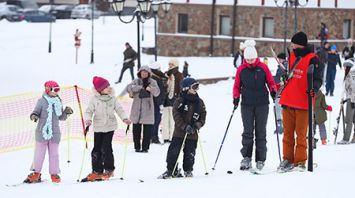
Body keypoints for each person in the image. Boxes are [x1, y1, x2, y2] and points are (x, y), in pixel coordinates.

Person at [278, 31, 324, 172]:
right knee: (287, 135)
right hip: (288, 100)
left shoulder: (313, 59)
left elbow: (318, 79)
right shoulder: (291, 56)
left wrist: (314, 89)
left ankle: (300, 161)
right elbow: (289, 74)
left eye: (294, 44)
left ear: (300, 44)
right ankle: (287, 159)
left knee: (301, 135)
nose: (292, 47)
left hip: (303, 103)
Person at [233, 39, 277, 171]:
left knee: (260, 132)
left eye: (252, 59)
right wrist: (236, 98)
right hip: (246, 104)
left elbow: (270, 81)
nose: (250, 62)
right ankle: (246, 157)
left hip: (262, 104)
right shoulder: (241, 69)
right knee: (247, 132)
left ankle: (260, 159)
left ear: (256, 57)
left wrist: (273, 91)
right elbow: (236, 86)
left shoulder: (263, 67)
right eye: (248, 60)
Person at [82, 76, 131, 182]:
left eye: (109, 86)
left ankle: (109, 169)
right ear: (100, 90)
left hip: (110, 127)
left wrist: (125, 118)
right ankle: (97, 171)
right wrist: (88, 119)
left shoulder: (112, 98)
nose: (109, 88)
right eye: (106, 87)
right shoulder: (94, 99)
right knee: (96, 150)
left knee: (106, 148)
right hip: (98, 127)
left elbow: (119, 109)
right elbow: (89, 111)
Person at [24, 81, 73, 183]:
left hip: (55, 134)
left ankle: (54, 173)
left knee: (54, 154)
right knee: (39, 154)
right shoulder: (41, 101)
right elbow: (36, 111)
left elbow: (61, 117)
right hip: (41, 133)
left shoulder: (58, 102)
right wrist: (34, 115)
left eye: (58, 89)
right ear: (48, 89)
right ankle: (36, 173)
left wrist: (66, 113)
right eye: (55, 90)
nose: (57, 92)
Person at [159, 78, 207, 178]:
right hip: (179, 132)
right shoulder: (179, 101)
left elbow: (203, 115)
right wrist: (184, 126)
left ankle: (188, 169)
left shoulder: (200, 102)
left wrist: (198, 124)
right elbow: (176, 116)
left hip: (193, 133)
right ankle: (171, 169)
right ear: (186, 88)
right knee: (174, 151)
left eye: (197, 87)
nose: (196, 89)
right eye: (194, 87)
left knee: (190, 152)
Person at [127, 66, 160, 152]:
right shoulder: (136, 81)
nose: (144, 73)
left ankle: (145, 148)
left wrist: (151, 89)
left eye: (146, 72)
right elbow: (129, 88)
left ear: (149, 73)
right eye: (142, 72)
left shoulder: (153, 82)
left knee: (147, 130)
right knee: (136, 130)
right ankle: (137, 147)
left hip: (148, 108)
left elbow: (157, 92)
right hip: (136, 108)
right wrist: (139, 87)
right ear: (140, 73)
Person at [161, 59, 184, 143]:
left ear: (176, 65)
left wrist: (179, 98)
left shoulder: (179, 75)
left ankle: (172, 137)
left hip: (175, 99)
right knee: (165, 119)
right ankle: (165, 137)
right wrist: (166, 80)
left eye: (172, 64)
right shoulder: (166, 73)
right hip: (166, 99)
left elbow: (181, 87)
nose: (170, 65)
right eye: (169, 64)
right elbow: (163, 85)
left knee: (173, 119)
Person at [149, 61, 168, 144]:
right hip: (155, 103)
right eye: (159, 69)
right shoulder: (154, 78)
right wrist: (160, 103)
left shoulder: (157, 77)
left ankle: (153, 137)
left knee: (156, 120)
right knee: (155, 120)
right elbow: (157, 93)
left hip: (157, 102)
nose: (160, 70)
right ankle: (153, 137)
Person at [339, 58, 355, 144]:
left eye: (345, 67)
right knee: (353, 119)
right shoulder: (351, 74)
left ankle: (346, 139)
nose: (344, 68)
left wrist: (352, 101)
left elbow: (353, 88)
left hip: (352, 100)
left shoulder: (351, 75)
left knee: (349, 120)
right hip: (351, 99)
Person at [273, 53, 288, 134]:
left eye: (279, 59)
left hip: (281, 90)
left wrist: (272, 79)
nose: (278, 60)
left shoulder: (283, 67)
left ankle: (280, 127)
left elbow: (278, 79)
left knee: (278, 108)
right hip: (282, 90)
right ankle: (282, 126)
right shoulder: (283, 66)